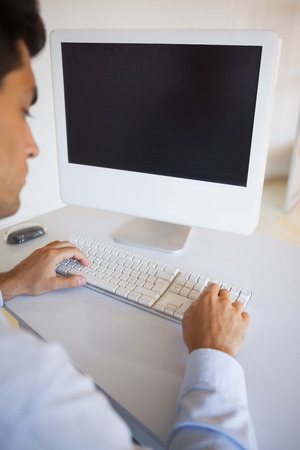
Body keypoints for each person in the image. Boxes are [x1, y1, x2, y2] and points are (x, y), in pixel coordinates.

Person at [0, 1, 257, 448]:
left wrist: (8, 283)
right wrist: (214, 357)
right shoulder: (30, 392)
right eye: (24, 110)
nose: (34, 146)